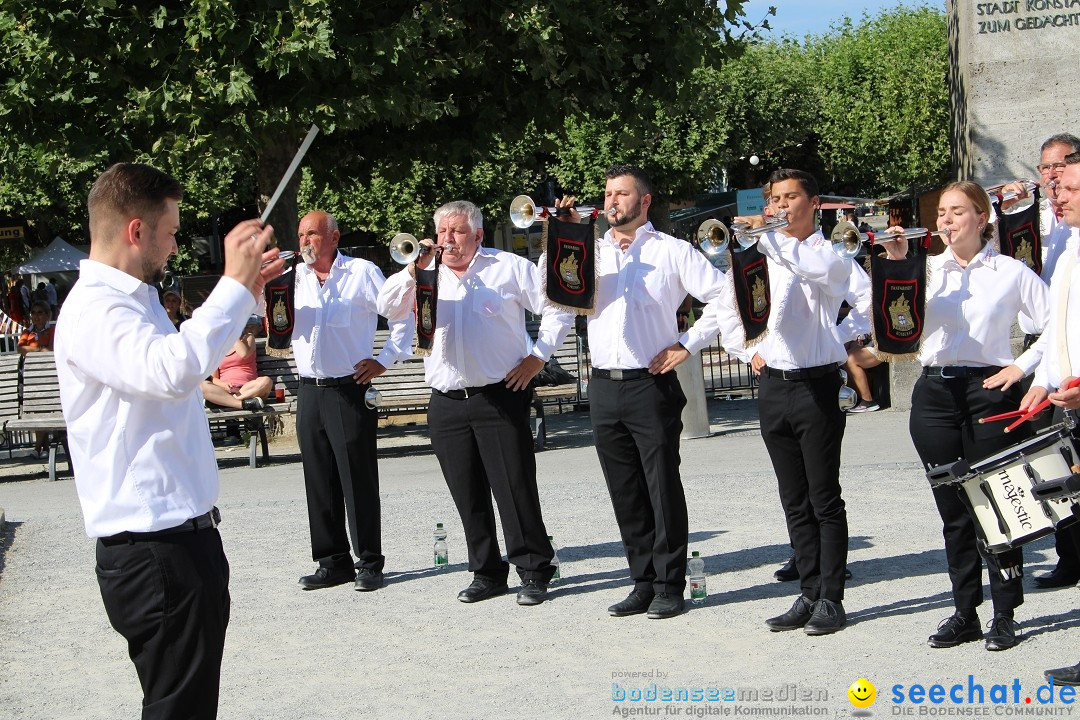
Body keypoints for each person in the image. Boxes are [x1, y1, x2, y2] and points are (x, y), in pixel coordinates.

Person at [53, 162, 284, 719]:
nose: (178, 245)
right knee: (178, 710)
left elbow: (187, 359)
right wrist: (230, 285)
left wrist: (245, 293)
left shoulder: (136, 299)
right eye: (174, 231)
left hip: (180, 541)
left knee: (189, 706)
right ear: (138, 231)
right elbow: (169, 370)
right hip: (152, 549)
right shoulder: (96, 309)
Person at [881, 180, 1049, 651]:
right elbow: (889, 321)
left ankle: (1005, 612)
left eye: (957, 212)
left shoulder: (1010, 271)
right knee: (952, 508)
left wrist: (1022, 366)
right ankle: (965, 611)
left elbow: (1059, 322)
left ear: (982, 216)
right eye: (941, 213)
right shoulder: (925, 270)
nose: (946, 221)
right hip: (935, 391)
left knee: (996, 504)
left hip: (989, 391)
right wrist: (897, 264)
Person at [378, 200, 571, 606]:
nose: (448, 239)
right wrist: (414, 270)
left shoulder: (508, 267)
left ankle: (534, 568)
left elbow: (557, 306)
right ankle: (486, 571)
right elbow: (386, 306)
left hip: (498, 394)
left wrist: (539, 357)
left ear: (478, 235)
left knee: (513, 487)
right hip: (446, 399)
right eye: (442, 231)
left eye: (458, 231)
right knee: (467, 492)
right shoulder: (425, 275)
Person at [564, 165, 727, 620]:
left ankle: (670, 584)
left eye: (621, 194)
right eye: (607, 193)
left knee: (660, 487)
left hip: (649, 384)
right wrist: (564, 234)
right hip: (603, 385)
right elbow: (551, 291)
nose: (612, 201)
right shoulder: (590, 252)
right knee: (625, 489)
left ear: (644, 201)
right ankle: (641, 581)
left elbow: (725, 296)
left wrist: (687, 344)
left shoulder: (673, 251)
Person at [717, 168, 852, 635]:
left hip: (816, 385)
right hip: (774, 385)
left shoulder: (829, 254)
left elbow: (855, 293)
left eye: (790, 197)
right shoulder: (764, 255)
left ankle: (831, 599)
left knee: (823, 497)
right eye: (774, 198)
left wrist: (843, 340)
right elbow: (728, 305)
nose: (780, 206)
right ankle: (808, 591)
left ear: (814, 203)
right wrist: (749, 350)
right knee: (793, 497)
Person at [292, 211, 412, 592]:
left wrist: (385, 359)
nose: (304, 241)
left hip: (348, 387)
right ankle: (332, 562)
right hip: (309, 388)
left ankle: (370, 562)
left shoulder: (360, 272)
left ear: (333, 237)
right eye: (300, 235)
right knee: (319, 480)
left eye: (312, 234)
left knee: (356, 477)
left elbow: (399, 314)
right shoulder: (290, 277)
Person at [1000, 133, 1080, 590]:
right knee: (1051, 460)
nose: (1052, 180)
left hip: (1066, 353)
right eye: (1046, 170)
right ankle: (1069, 554)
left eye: (1061, 170)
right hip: (1046, 344)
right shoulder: (1040, 223)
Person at [1026, 153, 1080, 685]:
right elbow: (1057, 329)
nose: (1056, 196)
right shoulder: (1068, 251)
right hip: (1068, 402)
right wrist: (1040, 378)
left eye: (1066, 187)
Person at [200, 321, 271, 412]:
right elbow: (213, 378)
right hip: (226, 390)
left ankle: (224, 402)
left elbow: (244, 354)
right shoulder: (217, 349)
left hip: (248, 388)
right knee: (203, 386)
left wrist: (232, 337)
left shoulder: (248, 338)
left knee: (266, 382)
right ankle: (241, 404)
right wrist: (223, 385)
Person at [18, 300, 56, 458]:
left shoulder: (53, 330)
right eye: (33, 313)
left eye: (40, 312)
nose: (36, 316)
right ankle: (43, 449)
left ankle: (37, 448)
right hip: (30, 377)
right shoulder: (27, 332)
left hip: (49, 377)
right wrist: (41, 348)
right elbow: (20, 349)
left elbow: (52, 349)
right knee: (37, 410)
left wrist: (33, 349)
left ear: (47, 315)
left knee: (44, 409)